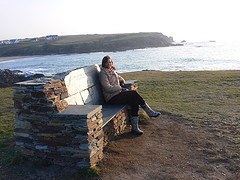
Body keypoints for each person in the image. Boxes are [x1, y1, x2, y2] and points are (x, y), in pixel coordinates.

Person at [99, 55, 161, 135]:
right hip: (111, 98)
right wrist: (120, 87)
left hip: (118, 94)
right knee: (133, 93)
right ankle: (149, 112)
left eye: (111, 62)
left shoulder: (112, 71)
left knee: (134, 102)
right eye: (108, 62)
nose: (109, 63)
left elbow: (120, 78)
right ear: (104, 63)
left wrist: (121, 82)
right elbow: (107, 88)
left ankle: (135, 128)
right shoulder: (103, 73)